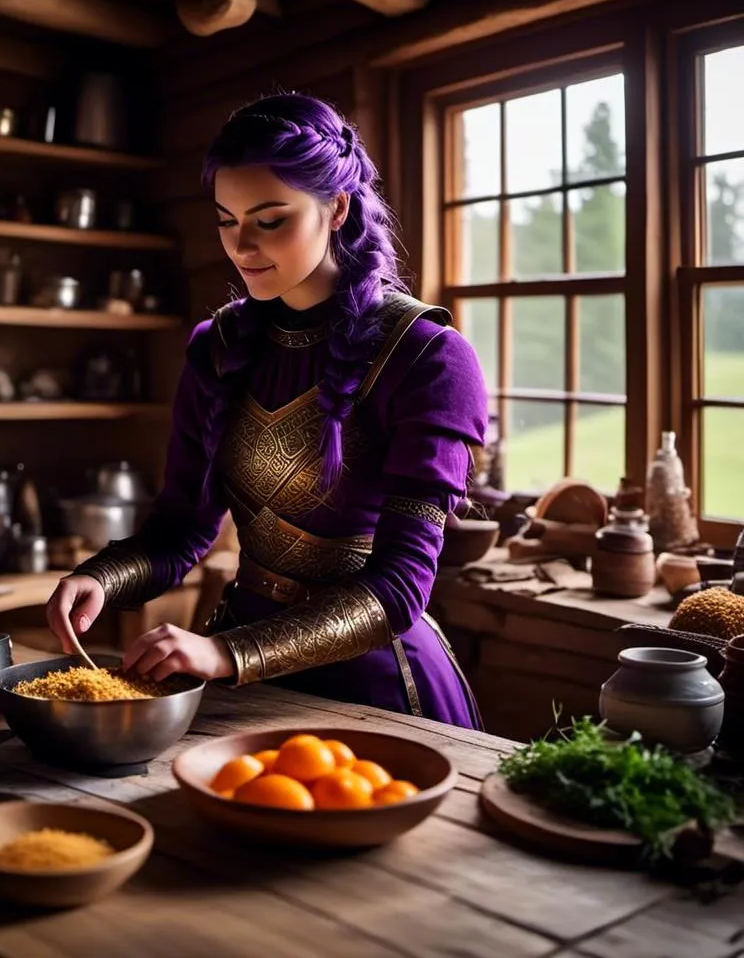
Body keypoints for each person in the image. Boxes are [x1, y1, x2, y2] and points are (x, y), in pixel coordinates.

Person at [46, 92, 487, 729]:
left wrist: (224, 653)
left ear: (337, 208)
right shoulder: (217, 347)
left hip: (375, 683)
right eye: (226, 220)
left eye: (270, 219)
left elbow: (398, 591)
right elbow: (181, 531)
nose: (241, 245)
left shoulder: (428, 359)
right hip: (233, 664)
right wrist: (102, 578)